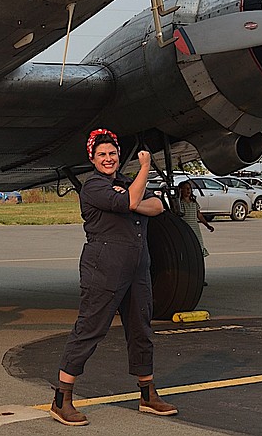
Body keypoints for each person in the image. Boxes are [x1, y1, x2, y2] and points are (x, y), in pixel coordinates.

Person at [51, 129, 176, 426]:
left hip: (137, 268)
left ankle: (147, 394)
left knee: (140, 328)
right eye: (102, 154)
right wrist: (144, 168)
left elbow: (158, 205)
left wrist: (134, 200)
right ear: (92, 159)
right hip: (104, 268)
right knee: (90, 329)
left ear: (119, 156)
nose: (108, 159)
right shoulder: (93, 186)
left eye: (112, 153)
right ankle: (62, 399)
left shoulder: (125, 185)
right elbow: (126, 203)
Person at [176, 180, 214, 262]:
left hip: (195, 228)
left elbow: (199, 215)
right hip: (185, 229)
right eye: (186, 188)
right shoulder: (180, 203)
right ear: (181, 190)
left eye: (189, 188)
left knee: (198, 243)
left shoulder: (194, 202)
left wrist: (207, 225)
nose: (188, 190)